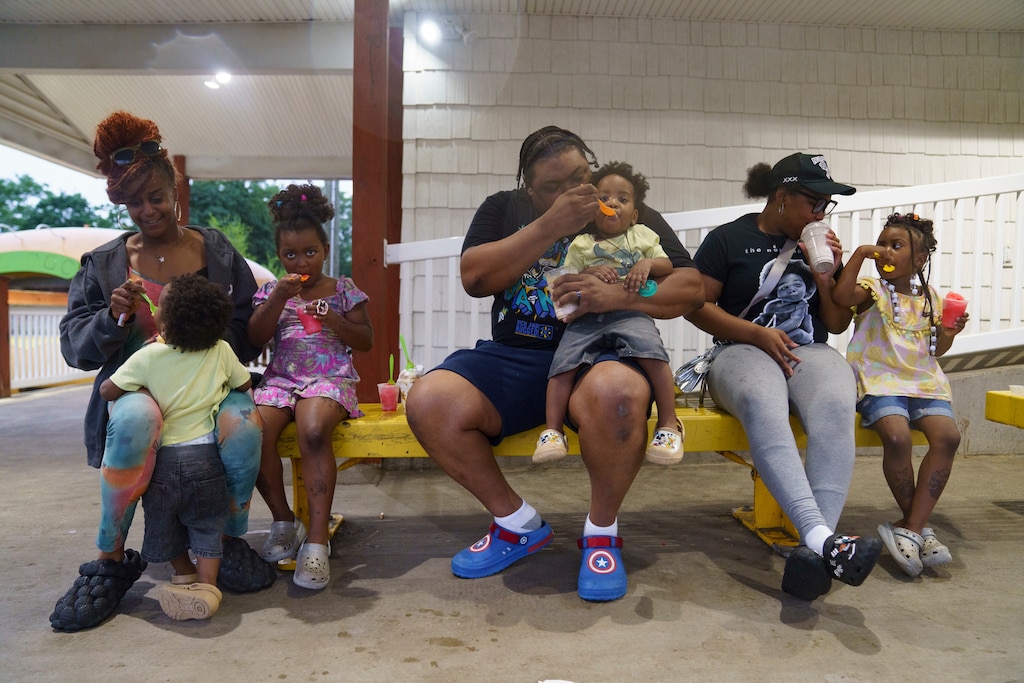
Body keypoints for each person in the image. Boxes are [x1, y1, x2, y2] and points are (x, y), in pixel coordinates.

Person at [403, 126, 704, 602]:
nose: (576, 191)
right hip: (517, 356)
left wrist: (620, 295)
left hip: (600, 355)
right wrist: (550, 224)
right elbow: (474, 277)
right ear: (529, 189)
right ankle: (516, 524)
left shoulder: (622, 209)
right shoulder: (505, 209)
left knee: (619, 393)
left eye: (581, 176)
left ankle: (601, 533)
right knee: (430, 400)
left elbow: (691, 288)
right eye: (554, 186)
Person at [51, 111, 271, 633]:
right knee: (133, 421)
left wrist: (202, 347)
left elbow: (246, 327)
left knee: (244, 424)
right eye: (135, 203)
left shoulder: (216, 251)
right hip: (140, 386)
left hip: (209, 385)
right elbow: (75, 347)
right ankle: (109, 558)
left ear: (175, 191)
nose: (147, 211)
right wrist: (112, 317)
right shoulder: (104, 264)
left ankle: (226, 538)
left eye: (156, 197)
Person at [685, 152, 882, 601]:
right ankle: (823, 540)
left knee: (836, 401)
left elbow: (835, 324)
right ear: (782, 196)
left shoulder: (819, 245)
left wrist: (825, 274)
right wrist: (755, 333)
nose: (821, 214)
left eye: (827, 205)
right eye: (815, 203)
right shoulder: (728, 238)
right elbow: (697, 307)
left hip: (808, 350)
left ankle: (815, 550)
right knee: (763, 400)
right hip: (739, 349)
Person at [100, 273, 253, 620]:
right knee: (208, 526)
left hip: (165, 464)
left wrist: (140, 388)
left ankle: (183, 574)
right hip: (207, 461)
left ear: (163, 323)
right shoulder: (221, 350)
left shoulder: (149, 356)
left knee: (164, 524)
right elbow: (244, 384)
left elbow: (107, 390)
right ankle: (207, 587)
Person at [249, 183, 373, 590]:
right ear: (279, 255)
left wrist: (334, 319)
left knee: (314, 430)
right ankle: (285, 522)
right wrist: (278, 298)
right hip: (281, 378)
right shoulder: (271, 292)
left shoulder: (343, 289)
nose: (301, 261)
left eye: (310, 252)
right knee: (252, 432)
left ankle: (318, 542)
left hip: (329, 376)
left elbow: (366, 341)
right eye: (290, 254)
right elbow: (255, 338)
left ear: (325, 249)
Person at [832, 212, 966, 577]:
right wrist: (860, 253)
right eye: (881, 244)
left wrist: (950, 331)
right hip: (879, 380)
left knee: (949, 437)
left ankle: (910, 528)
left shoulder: (932, 298)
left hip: (923, 382)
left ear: (919, 259)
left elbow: (936, 350)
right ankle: (917, 529)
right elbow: (841, 297)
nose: (884, 252)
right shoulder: (872, 289)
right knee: (897, 437)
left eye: (895, 245)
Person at [533, 161, 683, 466]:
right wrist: (588, 272)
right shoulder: (582, 243)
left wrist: (646, 264)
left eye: (622, 199)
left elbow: (667, 265)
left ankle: (668, 424)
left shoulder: (642, 235)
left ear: (634, 215)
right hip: (586, 317)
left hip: (631, 313)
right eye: (605, 198)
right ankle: (552, 431)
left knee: (653, 355)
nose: (613, 203)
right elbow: (564, 279)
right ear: (593, 210)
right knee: (562, 364)